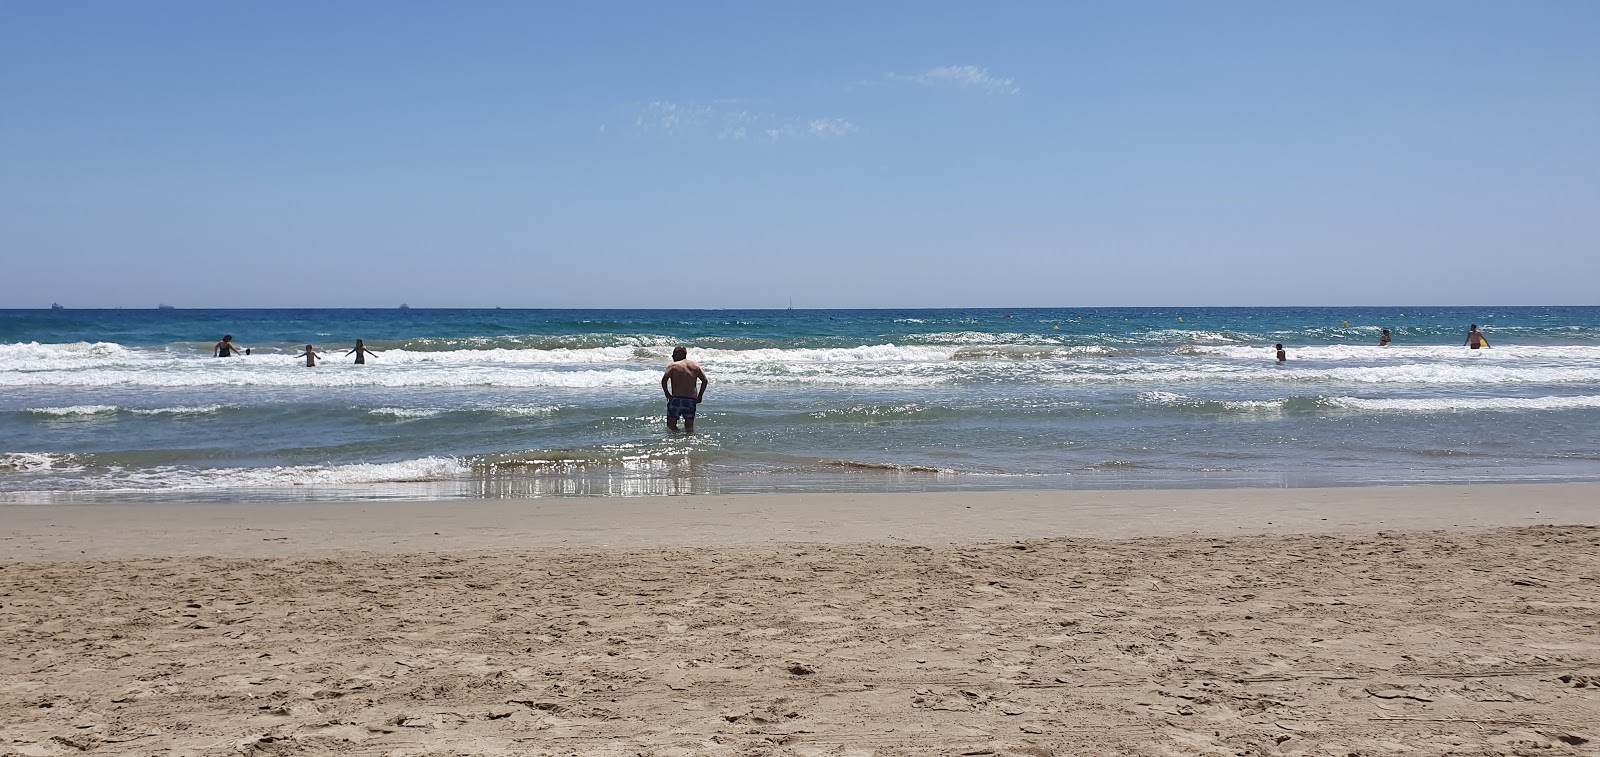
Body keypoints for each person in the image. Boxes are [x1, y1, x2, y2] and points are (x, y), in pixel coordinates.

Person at [660, 346, 709, 433]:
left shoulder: (673, 366)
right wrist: (700, 396)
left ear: (680, 354)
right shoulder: (695, 366)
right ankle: (688, 441)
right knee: (689, 427)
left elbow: (664, 380)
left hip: (677, 399)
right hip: (691, 400)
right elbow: (704, 380)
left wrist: (667, 394)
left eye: (674, 354)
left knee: (671, 425)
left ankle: (677, 438)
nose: (672, 356)